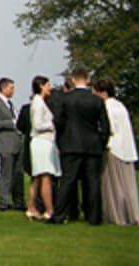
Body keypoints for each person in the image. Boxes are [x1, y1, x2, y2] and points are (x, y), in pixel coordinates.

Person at [47, 65, 109, 225]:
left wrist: (61, 141)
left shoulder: (65, 99)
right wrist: (100, 142)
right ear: (88, 80)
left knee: (67, 181)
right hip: (92, 145)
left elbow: (58, 122)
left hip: (71, 144)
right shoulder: (96, 100)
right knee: (93, 182)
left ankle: (59, 215)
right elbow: (105, 126)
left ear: (72, 80)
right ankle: (94, 217)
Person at [93, 77, 139, 226]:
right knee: (128, 186)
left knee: (114, 186)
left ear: (103, 93)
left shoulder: (107, 107)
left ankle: (117, 216)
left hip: (114, 148)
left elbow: (111, 129)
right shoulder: (120, 106)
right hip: (127, 148)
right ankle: (132, 215)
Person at [0, 77, 26, 211]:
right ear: (3, 88)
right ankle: (3, 202)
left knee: (18, 174)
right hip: (5, 142)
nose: (13, 90)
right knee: (6, 174)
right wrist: (13, 123)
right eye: (11, 88)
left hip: (17, 141)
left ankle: (19, 201)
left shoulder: (11, 104)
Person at [26, 75, 60, 220]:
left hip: (43, 142)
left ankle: (31, 208)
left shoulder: (39, 102)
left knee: (38, 178)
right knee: (45, 176)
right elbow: (38, 125)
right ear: (41, 86)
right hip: (42, 142)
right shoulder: (38, 103)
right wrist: (52, 125)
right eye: (47, 85)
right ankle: (49, 210)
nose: (49, 88)